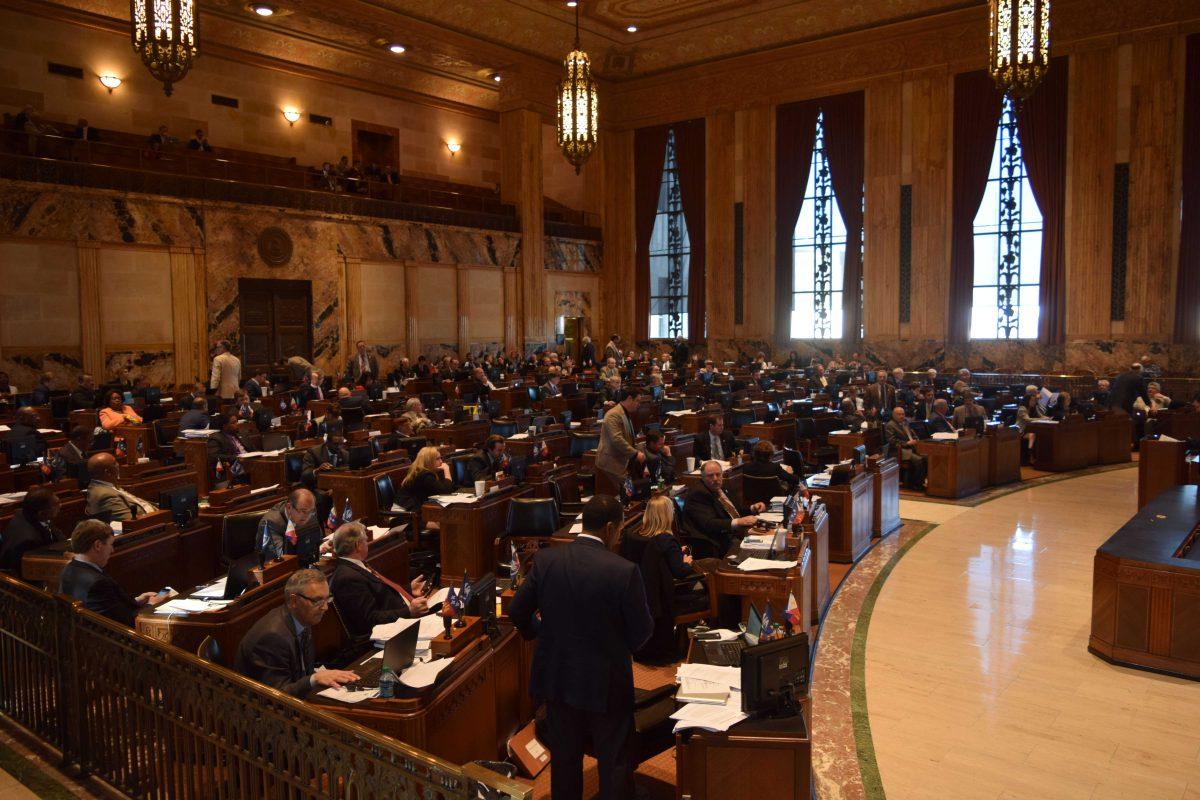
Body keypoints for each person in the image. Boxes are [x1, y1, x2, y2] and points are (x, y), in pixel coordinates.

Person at [509, 495, 653, 800]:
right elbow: (642, 634)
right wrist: (614, 647)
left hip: (558, 676)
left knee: (565, 759)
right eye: (620, 529)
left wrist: (542, 633)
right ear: (611, 527)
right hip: (607, 682)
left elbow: (517, 612)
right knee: (613, 759)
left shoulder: (547, 560)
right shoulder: (624, 570)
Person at [235, 569, 360, 697]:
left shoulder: (302, 617)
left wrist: (325, 676)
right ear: (294, 601)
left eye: (327, 599)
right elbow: (276, 696)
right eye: (317, 601)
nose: (325, 607)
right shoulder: (272, 637)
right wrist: (314, 679)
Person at [328, 523, 429, 639]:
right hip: (393, 630)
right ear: (358, 545)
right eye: (365, 541)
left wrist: (409, 588)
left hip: (403, 617)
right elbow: (370, 619)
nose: (367, 544)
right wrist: (408, 612)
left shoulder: (355, 566)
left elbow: (382, 592)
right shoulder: (347, 578)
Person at [58, 520, 167, 625]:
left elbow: (111, 607)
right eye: (111, 544)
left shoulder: (70, 568)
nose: (112, 550)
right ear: (98, 545)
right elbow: (123, 622)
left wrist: (137, 600)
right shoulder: (97, 583)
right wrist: (151, 605)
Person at [681, 460, 764, 558]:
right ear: (702, 478)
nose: (715, 478)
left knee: (764, 543)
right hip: (719, 540)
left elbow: (736, 510)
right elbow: (709, 524)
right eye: (710, 476)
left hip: (737, 534)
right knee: (758, 552)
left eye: (718, 474)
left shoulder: (723, 486)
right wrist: (738, 522)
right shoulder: (698, 494)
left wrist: (752, 508)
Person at [0, 488, 65, 574]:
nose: (60, 506)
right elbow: (33, 570)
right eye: (56, 504)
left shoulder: (25, 514)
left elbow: (55, 533)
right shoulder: (29, 540)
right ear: (41, 513)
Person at [257, 489, 324, 566]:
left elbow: (317, 537)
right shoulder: (271, 523)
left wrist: (321, 545)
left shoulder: (308, 511)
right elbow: (282, 557)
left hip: (303, 560)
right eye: (303, 511)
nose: (307, 516)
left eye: (311, 511)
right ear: (289, 507)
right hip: (272, 566)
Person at [595, 389, 643, 493]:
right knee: (628, 492)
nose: (638, 404)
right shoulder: (613, 414)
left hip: (621, 461)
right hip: (611, 462)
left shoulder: (624, 412)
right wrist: (635, 453)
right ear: (630, 398)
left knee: (630, 491)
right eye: (637, 401)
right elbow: (616, 439)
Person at [84, 453, 157, 521]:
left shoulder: (105, 484)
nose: (118, 465)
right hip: (149, 522)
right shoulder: (106, 496)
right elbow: (131, 522)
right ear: (108, 472)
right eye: (115, 463)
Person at [396, 446, 456, 511]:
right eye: (438, 459)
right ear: (428, 461)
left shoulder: (420, 471)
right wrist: (447, 470)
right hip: (404, 513)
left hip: (411, 508)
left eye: (441, 458)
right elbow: (445, 492)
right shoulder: (425, 475)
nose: (441, 461)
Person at [884, 407, 927, 490]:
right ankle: (915, 485)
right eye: (899, 414)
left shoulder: (905, 422)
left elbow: (913, 434)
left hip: (911, 448)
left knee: (927, 458)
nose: (901, 416)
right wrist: (906, 443)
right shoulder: (890, 425)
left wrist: (916, 439)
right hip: (899, 450)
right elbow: (892, 442)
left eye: (903, 414)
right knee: (919, 460)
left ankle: (920, 482)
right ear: (893, 415)